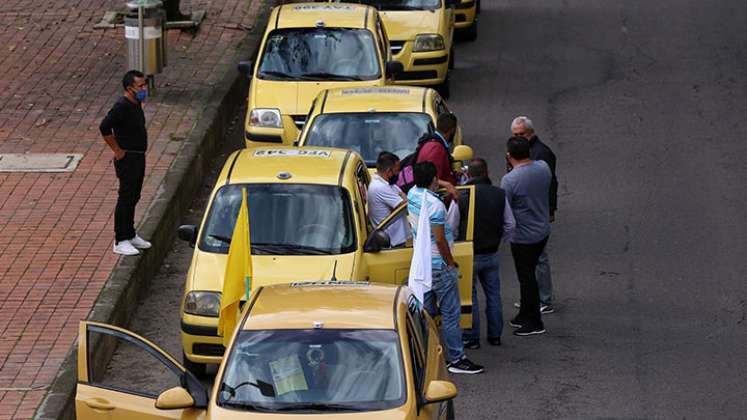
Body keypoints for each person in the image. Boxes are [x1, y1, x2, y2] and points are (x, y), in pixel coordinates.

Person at [408, 161, 484, 374]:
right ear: (433, 180)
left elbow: (424, 184)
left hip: (422, 264)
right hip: (440, 265)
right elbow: (440, 239)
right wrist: (450, 262)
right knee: (451, 313)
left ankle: (425, 353)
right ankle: (457, 358)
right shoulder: (436, 206)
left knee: (427, 313)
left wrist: (439, 182)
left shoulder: (413, 194)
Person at [460, 158, 515, 349]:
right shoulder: (499, 194)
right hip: (492, 252)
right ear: (487, 172)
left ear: (468, 175)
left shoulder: (464, 196)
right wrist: (500, 240)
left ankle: (472, 337)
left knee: (470, 296)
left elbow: (451, 223)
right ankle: (495, 335)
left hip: (470, 253)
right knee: (493, 295)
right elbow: (510, 224)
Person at [500, 137, 551, 336]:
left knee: (526, 278)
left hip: (523, 236)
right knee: (528, 274)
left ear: (509, 155)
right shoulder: (543, 168)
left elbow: (505, 207)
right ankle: (524, 314)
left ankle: (534, 321)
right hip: (542, 229)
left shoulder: (510, 179)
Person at [100, 70, 152, 256]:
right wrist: (118, 151)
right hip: (128, 158)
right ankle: (120, 239)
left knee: (134, 196)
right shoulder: (121, 107)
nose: (144, 89)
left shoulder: (136, 104)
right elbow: (104, 127)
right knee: (126, 197)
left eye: (145, 85)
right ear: (129, 88)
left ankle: (130, 233)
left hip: (138, 156)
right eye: (140, 86)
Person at [510, 116, 558, 313]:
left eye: (522, 135)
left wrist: (551, 209)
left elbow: (551, 183)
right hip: (526, 212)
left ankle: (544, 299)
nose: (518, 138)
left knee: (539, 259)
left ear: (531, 133)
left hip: (536, 211)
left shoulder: (543, 154)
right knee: (531, 262)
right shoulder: (520, 151)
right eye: (515, 135)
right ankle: (531, 297)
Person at [367, 152, 409, 247]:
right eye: (397, 170)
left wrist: (403, 197)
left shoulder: (388, 185)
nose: (398, 173)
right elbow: (406, 206)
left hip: (396, 239)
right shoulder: (380, 187)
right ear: (389, 171)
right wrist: (403, 197)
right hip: (392, 242)